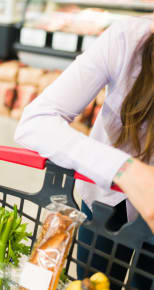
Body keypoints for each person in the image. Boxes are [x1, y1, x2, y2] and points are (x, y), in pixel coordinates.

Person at [15, 14, 154, 288]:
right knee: (94, 281)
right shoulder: (129, 39)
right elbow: (35, 122)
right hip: (107, 202)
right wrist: (124, 168)